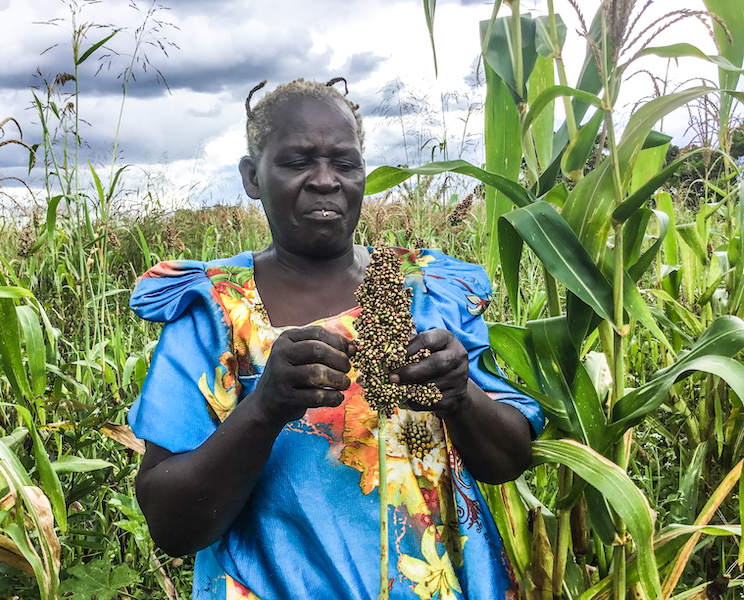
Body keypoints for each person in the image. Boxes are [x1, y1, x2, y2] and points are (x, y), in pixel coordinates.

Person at [128, 78, 545, 600]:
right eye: (298, 162)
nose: (325, 181)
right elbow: (172, 526)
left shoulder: (421, 291)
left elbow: (506, 462)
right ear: (252, 177)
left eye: (344, 163)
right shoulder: (214, 311)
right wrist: (265, 408)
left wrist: (462, 397)